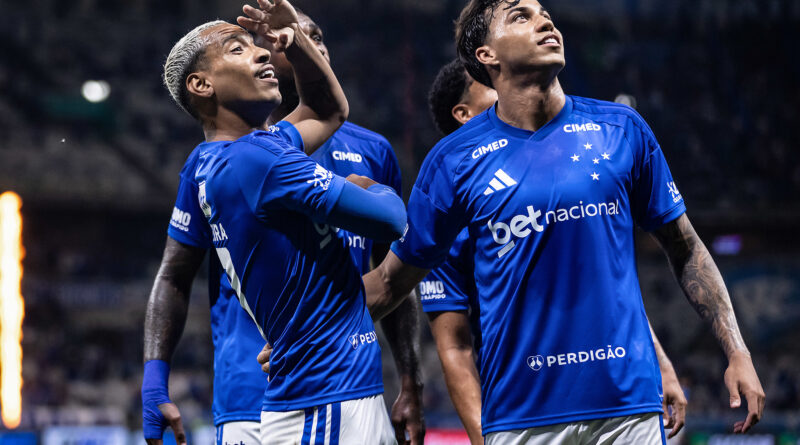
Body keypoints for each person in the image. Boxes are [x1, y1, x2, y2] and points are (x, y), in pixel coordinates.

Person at [364, 1, 765, 443]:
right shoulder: (451, 162)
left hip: (627, 412)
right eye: (520, 16)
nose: (544, 20)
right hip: (521, 419)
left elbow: (684, 247)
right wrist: (312, 323)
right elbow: (391, 282)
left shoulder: (621, 129)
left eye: (543, 12)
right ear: (486, 55)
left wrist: (737, 351)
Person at [142, 1, 404, 444]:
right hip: (323, 396)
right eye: (237, 49)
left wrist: (296, 42)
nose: (262, 52)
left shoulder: (217, 158)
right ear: (202, 84)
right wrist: (370, 187)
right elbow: (391, 220)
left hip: (318, 391)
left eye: (256, 45)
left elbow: (326, 111)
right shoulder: (260, 159)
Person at [420, 58, 688, 444]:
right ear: (463, 113)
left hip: (619, 404)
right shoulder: (447, 212)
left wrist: (660, 364)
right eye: (490, 83)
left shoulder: (560, 174)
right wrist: (484, 438)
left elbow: (611, 288)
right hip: (528, 412)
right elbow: (455, 349)